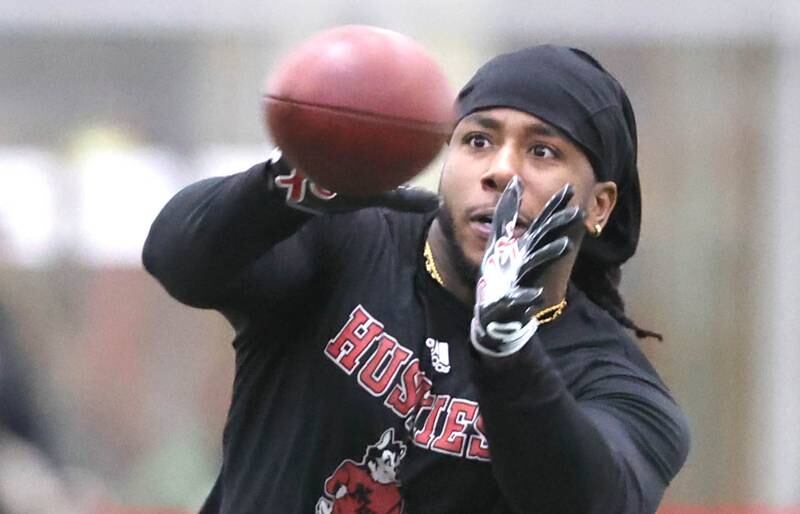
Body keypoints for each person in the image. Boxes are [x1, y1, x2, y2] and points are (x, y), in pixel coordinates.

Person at [143, 44, 690, 513]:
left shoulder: (614, 380)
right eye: (478, 140)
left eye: (542, 151)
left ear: (598, 207)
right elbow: (176, 259)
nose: (500, 170)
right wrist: (282, 188)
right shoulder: (347, 242)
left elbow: (586, 501)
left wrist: (508, 351)